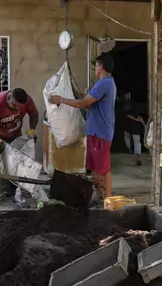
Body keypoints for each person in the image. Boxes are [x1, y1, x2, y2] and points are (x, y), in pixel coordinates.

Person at [49, 54, 117, 201]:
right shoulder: (105, 84)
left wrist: (61, 99)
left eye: (96, 66)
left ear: (101, 67)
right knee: (94, 167)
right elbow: (85, 101)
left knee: (104, 169)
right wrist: (70, 86)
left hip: (101, 133)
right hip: (95, 132)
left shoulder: (104, 83)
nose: (95, 69)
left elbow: (83, 103)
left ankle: (109, 200)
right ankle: (99, 195)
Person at [0, 88, 39, 196]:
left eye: (20, 106)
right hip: (0, 138)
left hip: (16, 136)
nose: (17, 108)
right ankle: (2, 193)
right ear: (8, 98)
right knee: (3, 167)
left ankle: (15, 193)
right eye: (14, 105)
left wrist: (32, 129)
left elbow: (34, 114)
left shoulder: (27, 100)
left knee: (16, 165)